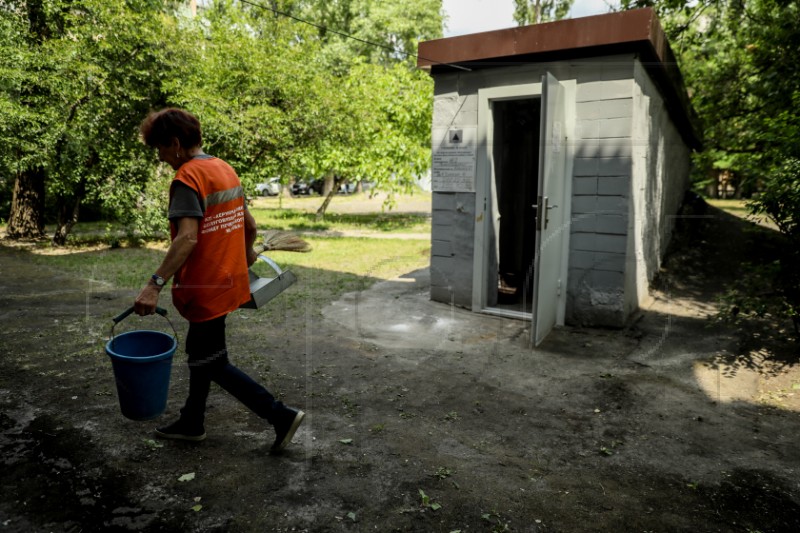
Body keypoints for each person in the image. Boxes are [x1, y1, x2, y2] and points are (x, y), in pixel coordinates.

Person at [134, 108, 304, 452]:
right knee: (203, 354)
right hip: (228, 284)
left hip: (204, 288)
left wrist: (154, 284)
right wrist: (246, 254)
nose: (161, 157)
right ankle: (192, 421)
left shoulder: (187, 178)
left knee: (211, 361)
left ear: (176, 144)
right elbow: (251, 227)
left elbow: (187, 239)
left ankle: (279, 415)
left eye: (161, 149)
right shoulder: (223, 169)